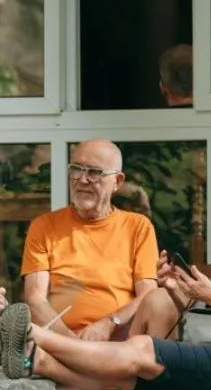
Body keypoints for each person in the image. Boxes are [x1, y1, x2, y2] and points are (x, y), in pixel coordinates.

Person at [0, 154, 211, 390]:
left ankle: (34, 335)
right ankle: (36, 362)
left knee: (144, 349)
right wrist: (177, 288)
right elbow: (208, 312)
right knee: (130, 374)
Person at [15, 139, 159, 342]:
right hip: (61, 339)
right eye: (76, 170)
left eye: (94, 172)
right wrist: (72, 343)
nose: (82, 180)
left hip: (119, 338)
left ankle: (42, 364)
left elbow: (148, 295)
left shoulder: (138, 227)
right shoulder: (44, 227)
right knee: (39, 341)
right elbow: (35, 299)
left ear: (117, 181)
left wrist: (109, 324)